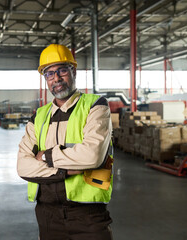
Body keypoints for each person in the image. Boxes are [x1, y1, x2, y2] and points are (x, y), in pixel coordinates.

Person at [17, 43, 114, 240]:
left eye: (62, 70)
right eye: (49, 74)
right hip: (47, 215)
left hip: (88, 215)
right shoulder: (39, 116)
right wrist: (67, 170)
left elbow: (92, 156)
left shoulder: (95, 106)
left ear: (73, 71)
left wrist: (45, 156)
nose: (56, 78)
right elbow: (23, 167)